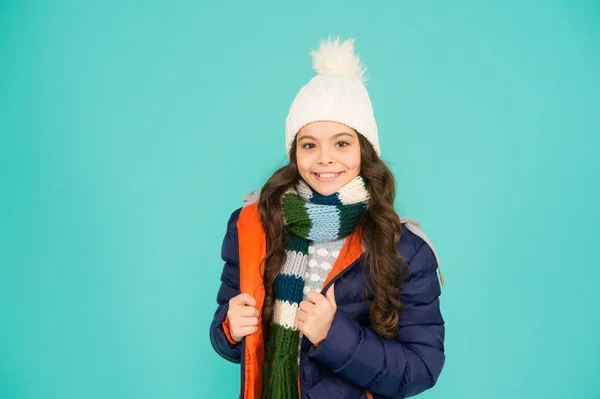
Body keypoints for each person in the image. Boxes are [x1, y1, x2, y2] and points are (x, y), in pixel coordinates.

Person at [209, 37, 445, 399]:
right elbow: (227, 337)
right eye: (309, 145)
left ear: (365, 151)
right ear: (295, 152)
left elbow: (421, 368)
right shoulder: (253, 226)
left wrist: (332, 335)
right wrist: (229, 329)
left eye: (341, 143)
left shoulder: (406, 250)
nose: (324, 159)